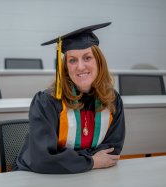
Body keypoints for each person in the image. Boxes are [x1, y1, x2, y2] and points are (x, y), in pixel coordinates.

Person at [14, 22, 125, 174]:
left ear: (99, 62)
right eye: (73, 60)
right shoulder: (47, 102)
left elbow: (111, 151)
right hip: (39, 178)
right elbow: (43, 159)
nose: (80, 67)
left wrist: (74, 160)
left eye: (87, 58)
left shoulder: (112, 100)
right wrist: (91, 161)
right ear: (65, 67)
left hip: (88, 177)